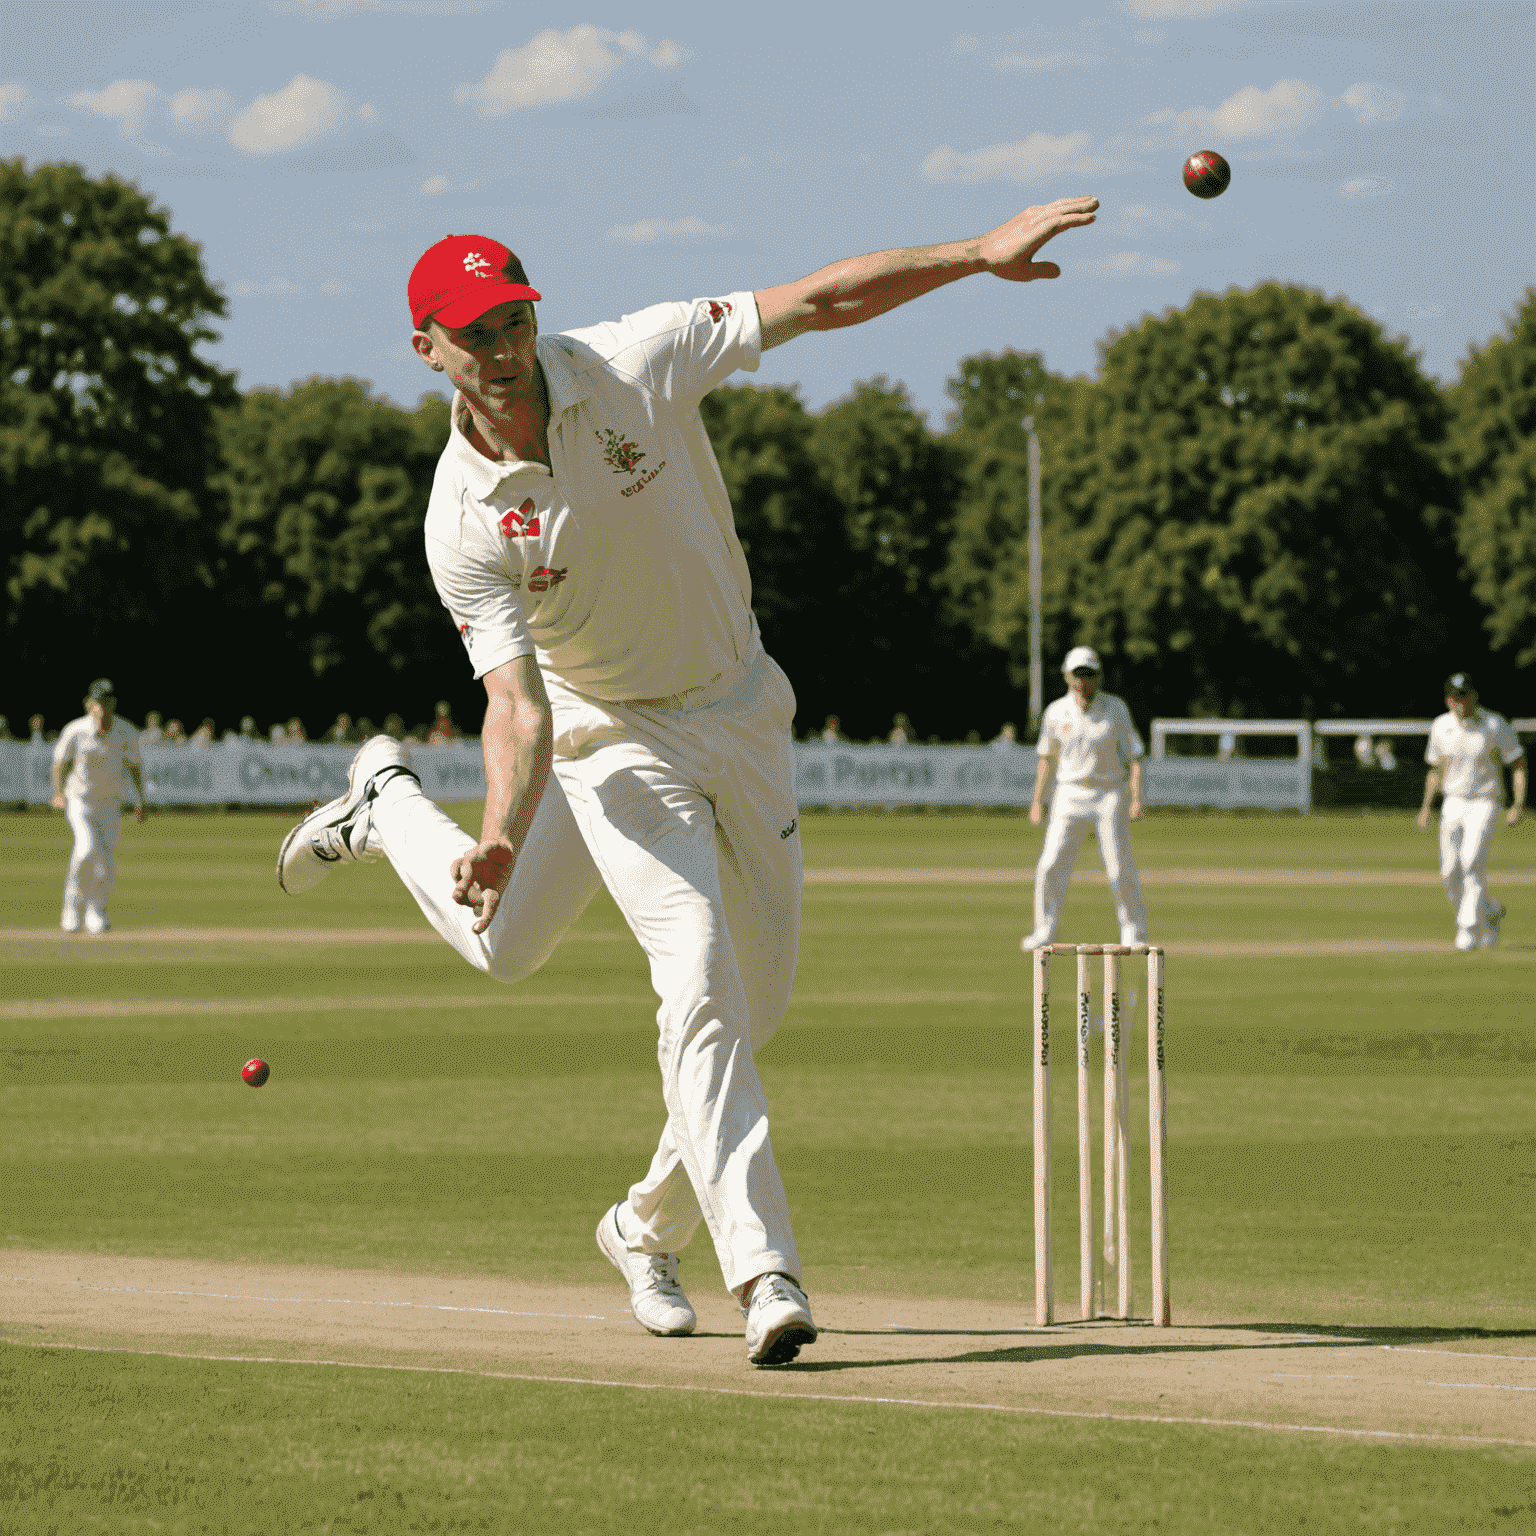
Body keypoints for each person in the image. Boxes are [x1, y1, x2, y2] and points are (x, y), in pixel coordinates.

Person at [275, 196, 1099, 1366]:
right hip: (612, 742)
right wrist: (502, 824)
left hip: (742, 707)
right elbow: (516, 700)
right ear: (428, 350)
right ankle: (766, 1274)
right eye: (473, 335)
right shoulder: (461, 518)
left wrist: (975, 255)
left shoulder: (633, 358)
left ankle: (640, 1221)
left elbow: (819, 299)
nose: (502, 351)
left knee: (733, 1002)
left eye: (512, 320)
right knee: (700, 983)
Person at [1021, 646, 1149, 951]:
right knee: (1050, 864)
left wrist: (1137, 797)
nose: (1083, 681)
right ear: (1067, 676)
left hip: (1109, 793)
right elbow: (1046, 759)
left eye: (1089, 674)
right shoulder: (1055, 712)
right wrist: (1037, 800)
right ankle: (1045, 929)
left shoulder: (1116, 709)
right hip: (1069, 793)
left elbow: (1135, 756)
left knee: (1119, 867)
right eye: (1078, 674)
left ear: (1099, 676)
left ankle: (1134, 930)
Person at [1416, 672, 1526, 950]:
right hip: (1453, 801)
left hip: (1485, 801)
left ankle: (1467, 929)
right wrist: (1426, 807)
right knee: (1449, 871)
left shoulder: (1494, 724)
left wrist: (1518, 804)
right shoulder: (1441, 726)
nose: (1461, 702)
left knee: (1471, 861)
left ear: (1474, 695)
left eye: (1465, 695)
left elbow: (1518, 763)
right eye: (1455, 697)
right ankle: (1490, 911)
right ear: (1448, 700)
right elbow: (1436, 768)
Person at [50, 678, 147, 934]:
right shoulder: (76, 730)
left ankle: (97, 911)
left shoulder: (126, 731)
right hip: (80, 801)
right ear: (89, 704)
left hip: (111, 803)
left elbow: (135, 766)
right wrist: (58, 793)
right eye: (98, 702)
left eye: (107, 700)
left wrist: (141, 800)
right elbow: (59, 762)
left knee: (105, 860)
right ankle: (71, 909)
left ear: (114, 703)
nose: (102, 706)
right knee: (85, 849)